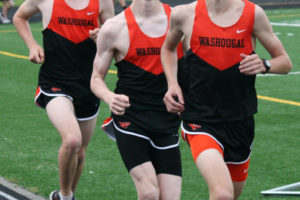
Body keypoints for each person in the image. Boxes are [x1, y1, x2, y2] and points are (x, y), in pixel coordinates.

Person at [161, 0, 292, 199]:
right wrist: (172, 84)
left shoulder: (253, 14)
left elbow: (284, 62)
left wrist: (264, 64)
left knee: (230, 195)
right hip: (199, 120)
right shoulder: (184, 14)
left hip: (240, 122)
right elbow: (168, 48)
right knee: (222, 193)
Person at [13, 0, 114, 199]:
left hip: (88, 86)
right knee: (72, 140)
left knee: (80, 152)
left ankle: (65, 195)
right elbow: (19, 16)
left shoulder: (103, 2)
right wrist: (32, 45)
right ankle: (66, 196)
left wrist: (101, 39)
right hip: (55, 83)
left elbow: (115, 41)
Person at [90, 0, 184, 199]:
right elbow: (96, 79)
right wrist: (110, 97)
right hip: (131, 119)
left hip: (167, 123)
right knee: (149, 192)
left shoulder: (180, 19)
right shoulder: (114, 27)